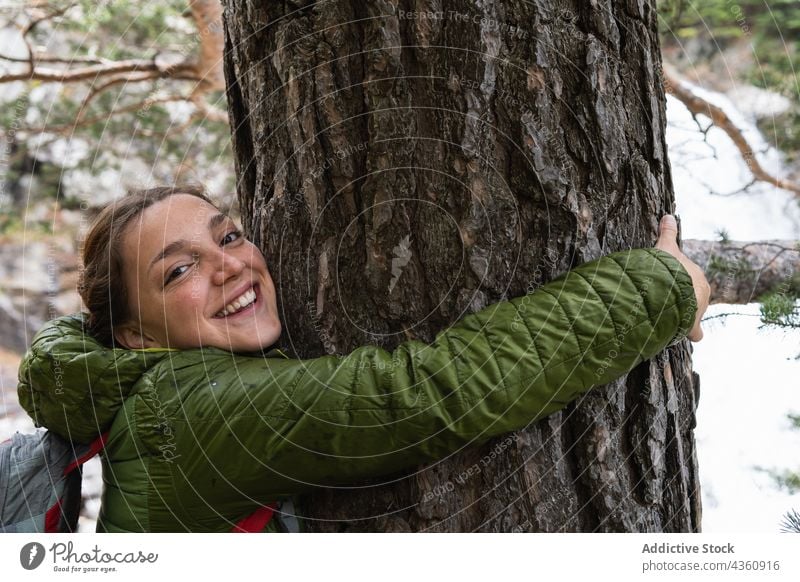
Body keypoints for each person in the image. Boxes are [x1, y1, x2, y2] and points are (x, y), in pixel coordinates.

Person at [17, 186, 710, 532]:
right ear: (134, 336)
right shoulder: (186, 414)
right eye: (179, 272)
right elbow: (418, 396)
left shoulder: (142, 399)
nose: (231, 267)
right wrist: (662, 286)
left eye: (227, 235)